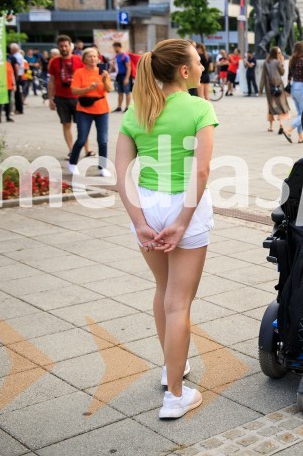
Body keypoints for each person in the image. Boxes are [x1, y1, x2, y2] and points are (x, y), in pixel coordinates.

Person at [115, 38, 217, 420]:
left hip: (146, 204)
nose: (203, 66)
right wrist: (182, 221)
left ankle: (171, 366)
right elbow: (201, 172)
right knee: (179, 303)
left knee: (164, 291)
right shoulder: (200, 108)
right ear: (184, 71)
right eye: (198, 61)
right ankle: (175, 396)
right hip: (184, 205)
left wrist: (139, 222)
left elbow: (121, 173)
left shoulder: (137, 109)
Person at [67, 48, 113, 177]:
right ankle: (72, 163)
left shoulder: (102, 72)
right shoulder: (79, 72)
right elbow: (74, 91)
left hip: (102, 109)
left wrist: (105, 79)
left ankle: (103, 167)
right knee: (82, 139)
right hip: (84, 109)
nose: (93, 59)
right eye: (90, 56)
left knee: (103, 141)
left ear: (98, 58)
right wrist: (89, 88)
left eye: (95, 56)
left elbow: (110, 89)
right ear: (84, 59)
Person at [48, 35, 93, 161]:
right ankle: (72, 150)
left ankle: (87, 150)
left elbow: (87, 74)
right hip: (61, 98)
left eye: (65, 46)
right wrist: (50, 99)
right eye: (61, 46)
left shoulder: (79, 60)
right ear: (58, 47)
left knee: (82, 125)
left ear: (70, 46)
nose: (63, 48)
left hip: (78, 97)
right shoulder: (54, 62)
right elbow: (51, 81)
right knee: (66, 124)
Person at [261, 47, 292, 141]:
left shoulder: (266, 62)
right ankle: (281, 124)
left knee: (271, 106)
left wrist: (260, 89)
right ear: (276, 53)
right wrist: (281, 62)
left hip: (269, 88)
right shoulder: (278, 62)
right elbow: (282, 73)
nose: (280, 54)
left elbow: (263, 76)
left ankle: (271, 126)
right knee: (281, 105)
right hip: (279, 86)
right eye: (279, 52)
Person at [286, 42, 303, 143]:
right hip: (302, 86)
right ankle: (289, 129)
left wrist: (288, 89)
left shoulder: (292, 60)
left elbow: (289, 76)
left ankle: (300, 136)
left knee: (300, 113)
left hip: (294, 86)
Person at [112, 42, 133, 112]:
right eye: (114, 47)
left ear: (119, 47)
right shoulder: (117, 56)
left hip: (125, 76)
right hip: (119, 76)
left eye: (115, 47)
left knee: (127, 92)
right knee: (120, 92)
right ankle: (119, 107)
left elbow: (129, 67)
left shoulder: (125, 56)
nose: (114, 49)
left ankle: (127, 107)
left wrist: (127, 78)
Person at [8, 43, 26, 114]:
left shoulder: (16, 56)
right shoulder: (18, 55)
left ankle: (18, 109)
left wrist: (16, 77)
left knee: (16, 94)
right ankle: (19, 109)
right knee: (17, 93)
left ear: (13, 49)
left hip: (16, 76)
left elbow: (17, 67)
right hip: (19, 75)